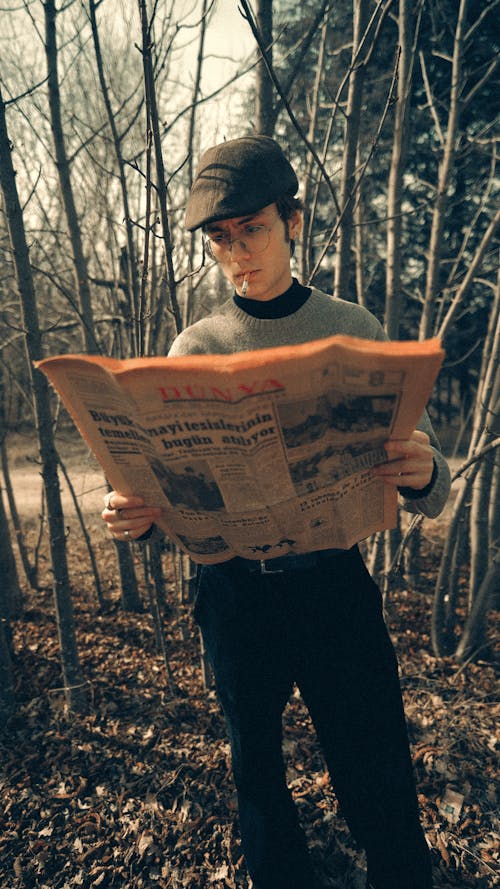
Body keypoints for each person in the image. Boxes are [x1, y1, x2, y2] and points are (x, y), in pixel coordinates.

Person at [102, 136, 451, 889]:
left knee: (378, 773)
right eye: (219, 241)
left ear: (293, 221)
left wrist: (426, 472)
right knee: (256, 774)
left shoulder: (350, 326)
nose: (236, 255)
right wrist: (142, 515)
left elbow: (422, 468)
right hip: (233, 594)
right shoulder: (195, 346)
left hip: (333, 583)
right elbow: (174, 501)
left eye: (251, 230)